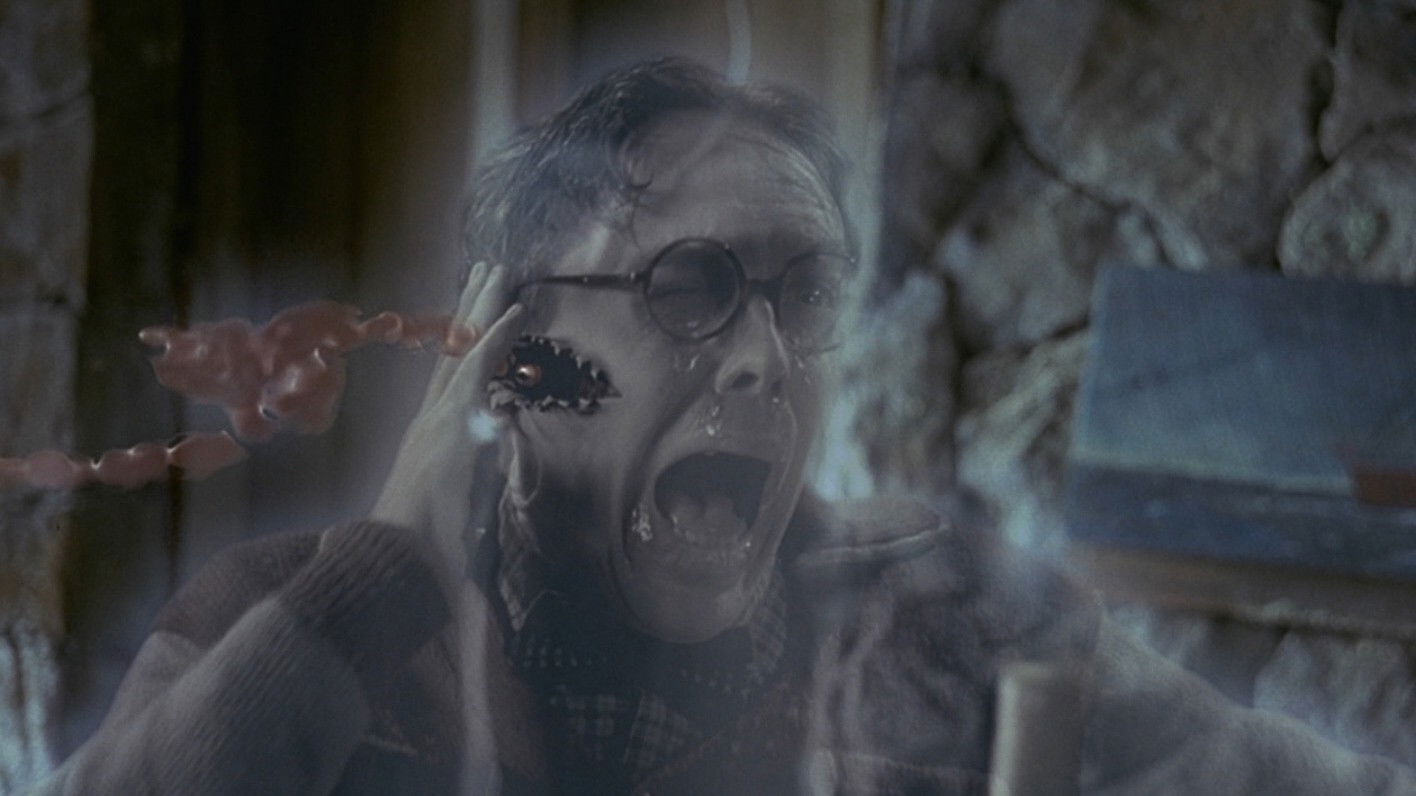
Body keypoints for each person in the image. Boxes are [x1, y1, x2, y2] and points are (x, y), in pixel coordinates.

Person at [34, 58, 1416, 795]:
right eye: (688, 288)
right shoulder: (291, 629)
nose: (764, 360)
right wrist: (383, 574)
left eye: (803, 295)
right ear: (518, 352)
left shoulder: (959, 623)